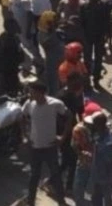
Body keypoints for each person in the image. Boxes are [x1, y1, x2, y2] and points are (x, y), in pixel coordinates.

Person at [22, 78, 69, 206]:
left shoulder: (55, 104)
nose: (30, 95)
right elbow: (22, 116)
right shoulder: (29, 104)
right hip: (35, 147)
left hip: (50, 147)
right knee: (34, 177)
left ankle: (61, 202)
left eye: (32, 92)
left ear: (40, 93)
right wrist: (25, 136)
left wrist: (63, 137)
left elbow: (68, 117)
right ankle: (30, 202)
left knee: (56, 176)